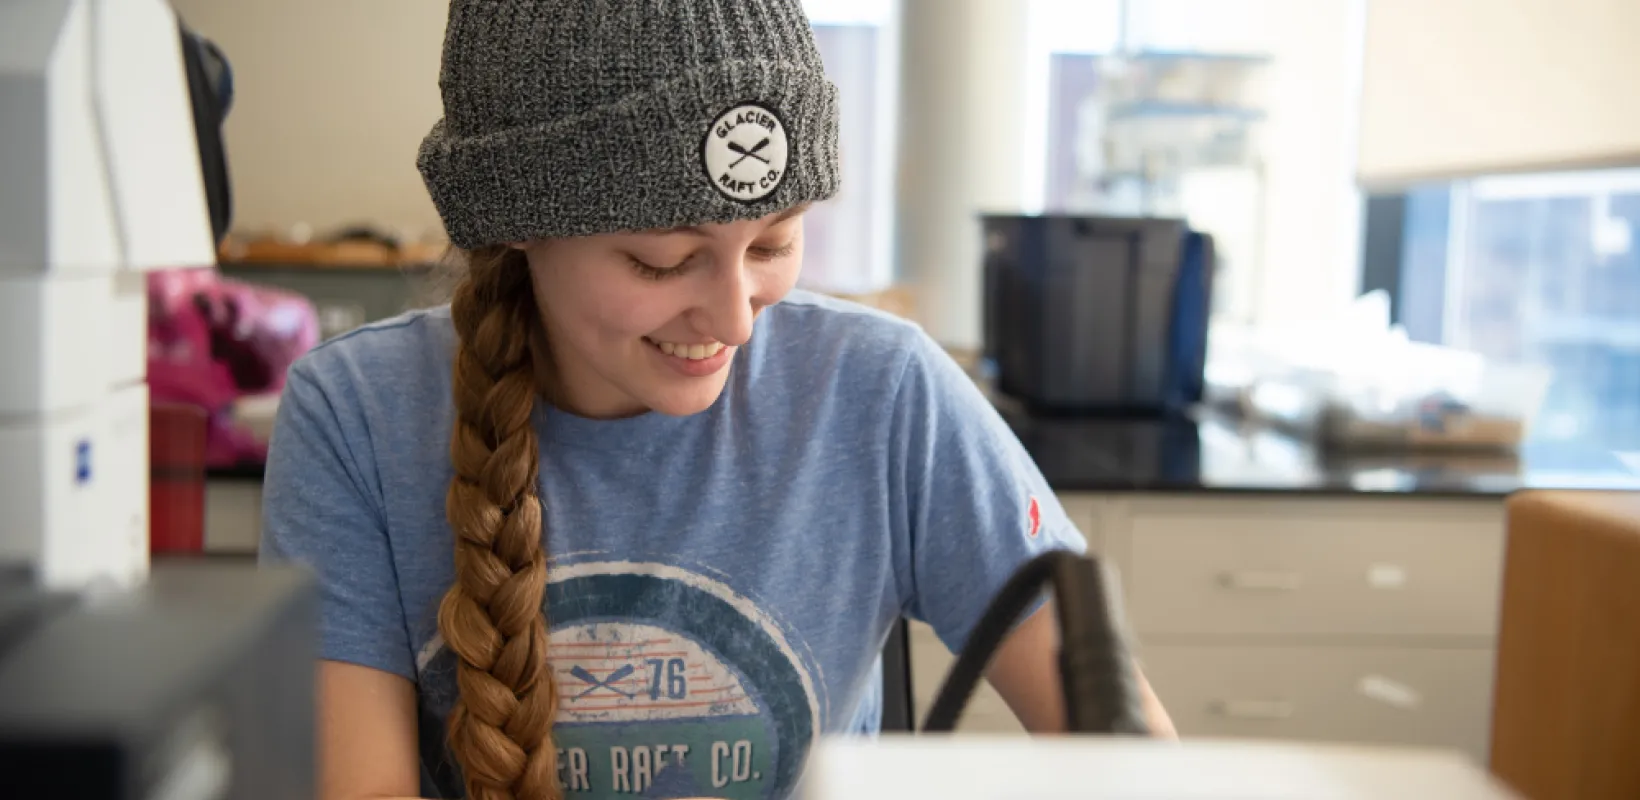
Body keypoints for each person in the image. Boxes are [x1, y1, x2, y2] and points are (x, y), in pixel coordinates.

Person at [259, 1, 1175, 799]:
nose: (735, 320)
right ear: (518, 226)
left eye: (773, 245)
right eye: (663, 261)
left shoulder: (884, 393)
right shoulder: (355, 417)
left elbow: (1131, 758)